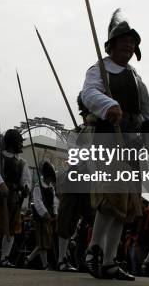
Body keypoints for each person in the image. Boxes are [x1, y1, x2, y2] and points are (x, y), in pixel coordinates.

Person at [81, 9, 149, 280]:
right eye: (123, 39)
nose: (129, 43)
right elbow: (89, 94)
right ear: (111, 44)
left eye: (133, 41)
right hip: (108, 139)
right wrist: (109, 105)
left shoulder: (136, 78)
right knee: (112, 195)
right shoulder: (98, 69)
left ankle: (109, 260)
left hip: (133, 144)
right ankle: (94, 250)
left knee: (127, 204)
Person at [55, 93, 95, 271]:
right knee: (67, 218)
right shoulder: (75, 133)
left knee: (96, 218)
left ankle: (95, 256)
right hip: (75, 178)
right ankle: (62, 259)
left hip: (93, 180)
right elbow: (74, 155)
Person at [0, 129, 32, 267]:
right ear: (12, 142)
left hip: (15, 199)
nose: (21, 145)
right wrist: (1, 184)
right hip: (1, 197)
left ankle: (5, 258)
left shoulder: (22, 162)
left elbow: (26, 179)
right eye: (20, 142)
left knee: (12, 230)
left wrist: (26, 186)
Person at [24, 160, 58, 270]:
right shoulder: (38, 186)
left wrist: (54, 213)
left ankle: (32, 260)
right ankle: (42, 264)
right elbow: (38, 202)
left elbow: (54, 202)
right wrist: (45, 213)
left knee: (45, 243)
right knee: (42, 243)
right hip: (40, 218)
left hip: (49, 218)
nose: (50, 180)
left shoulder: (51, 188)